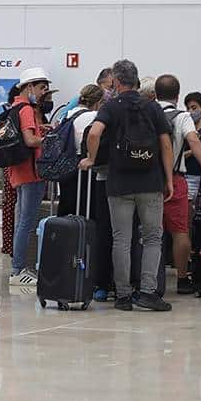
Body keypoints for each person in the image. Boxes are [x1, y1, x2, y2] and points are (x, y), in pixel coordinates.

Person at [80, 59, 174, 312]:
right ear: (137, 79)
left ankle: (122, 296)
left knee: (121, 239)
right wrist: (168, 179)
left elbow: (94, 133)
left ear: (116, 82)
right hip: (150, 182)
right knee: (153, 237)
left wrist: (90, 158)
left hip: (119, 183)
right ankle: (147, 292)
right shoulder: (152, 107)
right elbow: (165, 144)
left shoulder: (111, 107)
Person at [154, 75, 201, 294]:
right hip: (175, 178)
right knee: (180, 231)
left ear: (155, 93)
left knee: (146, 231)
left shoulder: (147, 112)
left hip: (146, 180)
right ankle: (182, 279)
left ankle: (146, 279)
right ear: (178, 95)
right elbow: (193, 141)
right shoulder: (182, 117)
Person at [6, 67, 52, 286]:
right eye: (42, 87)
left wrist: (41, 129)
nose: (44, 92)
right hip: (31, 172)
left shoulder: (15, 106)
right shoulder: (26, 109)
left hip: (19, 172)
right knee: (26, 223)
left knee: (21, 222)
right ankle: (18, 270)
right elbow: (30, 140)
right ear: (29, 87)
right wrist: (48, 138)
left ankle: (17, 268)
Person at [57, 84, 104, 216]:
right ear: (98, 102)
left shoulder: (67, 115)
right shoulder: (94, 116)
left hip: (66, 164)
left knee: (67, 204)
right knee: (86, 206)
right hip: (85, 165)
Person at [0, 83, 21, 257]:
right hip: (17, 166)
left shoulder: (8, 114)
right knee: (14, 206)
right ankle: (13, 247)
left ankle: (10, 246)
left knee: (10, 205)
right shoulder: (18, 113)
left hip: (10, 165)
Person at [183, 92, 201, 202]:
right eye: (188, 108)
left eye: (194, 108)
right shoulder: (186, 130)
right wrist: (194, 150)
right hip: (189, 177)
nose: (190, 112)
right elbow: (179, 156)